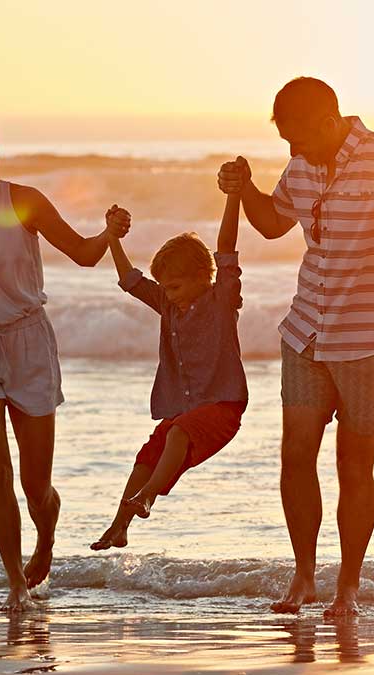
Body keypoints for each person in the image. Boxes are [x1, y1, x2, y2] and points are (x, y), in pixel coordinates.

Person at [216, 78, 374, 618]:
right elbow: (269, 224)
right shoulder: (302, 164)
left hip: (368, 339)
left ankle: (347, 588)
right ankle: (305, 578)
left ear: (329, 122)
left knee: (354, 467)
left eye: (299, 139)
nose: (293, 151)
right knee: (294, 457)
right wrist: (243, 190)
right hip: (306, 330)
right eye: (285, 141)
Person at [0, 110, 132, 611]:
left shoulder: (23, 201)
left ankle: (47, 538)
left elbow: (83, 254)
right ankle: (15, 581)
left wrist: (109, 233)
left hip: (27, 344)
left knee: (34, 483)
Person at [91, 178, 249, 551]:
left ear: (202, 277)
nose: (169, 295)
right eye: (165, 288)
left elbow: (226, 247)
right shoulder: (167, 302)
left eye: (175, 287)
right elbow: (129, 280)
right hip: (186, 411)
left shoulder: (221, 300)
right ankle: (119, 526)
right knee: (147, 455)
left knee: (177, 433)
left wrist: (233, 196)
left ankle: (147, 498)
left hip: (223, 406)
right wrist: (112, 237)